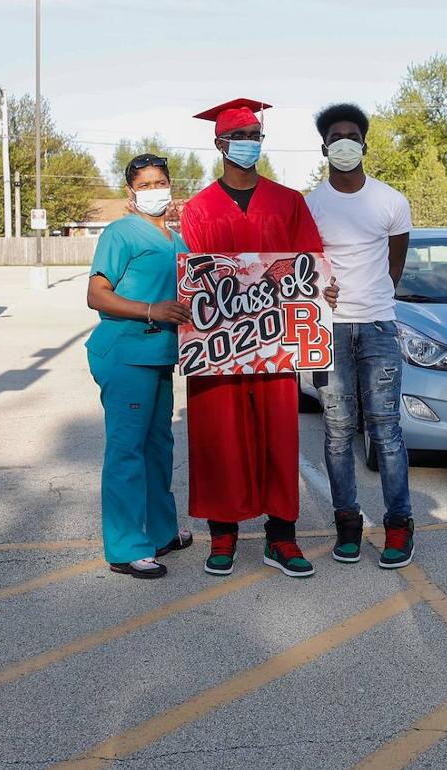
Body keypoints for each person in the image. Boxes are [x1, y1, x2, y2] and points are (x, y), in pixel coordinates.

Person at [181, 98, 326, 578]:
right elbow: (195, 277)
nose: (248, 145)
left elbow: (310, 262)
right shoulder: (199, 209)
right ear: (219, 143)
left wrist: (324, 286)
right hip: (219, 342)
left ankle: (281, 536)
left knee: (279, 437)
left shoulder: (289, 202)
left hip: (275, 342)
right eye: (239, 137)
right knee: (218, 436)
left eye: (254, 137)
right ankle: (222, 532)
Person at [304, 103, 415, 568]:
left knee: (386, 430)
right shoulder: (310, 203)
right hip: (329, 331)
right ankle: (347, 523)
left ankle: (398, 524)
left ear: (364, 144)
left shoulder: (390, 201)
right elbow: (302, 268)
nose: (344, 143)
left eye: (352, 135)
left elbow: (395, 264)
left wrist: (372, 301)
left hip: (377, 327)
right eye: (335, 137)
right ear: (325, 146)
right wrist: (319, 288)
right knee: (336, 433)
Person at [85, 154, 194, 579]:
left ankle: (162, 532)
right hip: (126, 353)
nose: (155, 190)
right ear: (132, 192)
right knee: (127, 451)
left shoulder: (177, 239)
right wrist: (152, 309)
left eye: (160, 182)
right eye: (146, 184)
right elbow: (97, 295)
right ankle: (126, 546)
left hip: (160, 357)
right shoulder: (119, 233)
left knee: (157, 447)